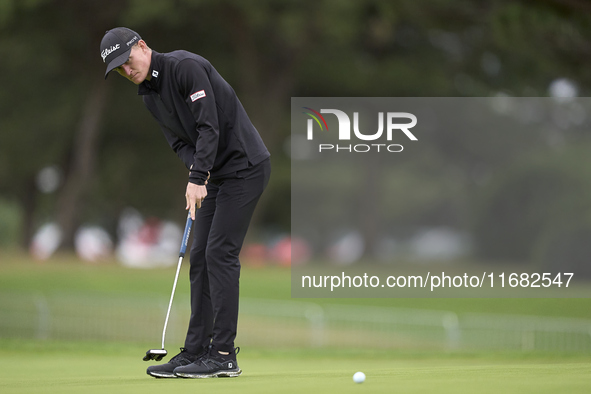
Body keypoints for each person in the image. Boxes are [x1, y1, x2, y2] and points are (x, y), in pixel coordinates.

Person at [100, 27, 271, 379]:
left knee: (220, 254)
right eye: (119, 70)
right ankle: (195, 351)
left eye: (127, 61)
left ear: (143, 47)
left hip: (245, 168)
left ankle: (223, 354)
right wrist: (200, 173)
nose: (127, 71)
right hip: (215, 175)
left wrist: (197, 178)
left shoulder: (185, 68)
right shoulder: (149, 96)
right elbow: (180, 144)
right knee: (200, 258)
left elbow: (210, 127)